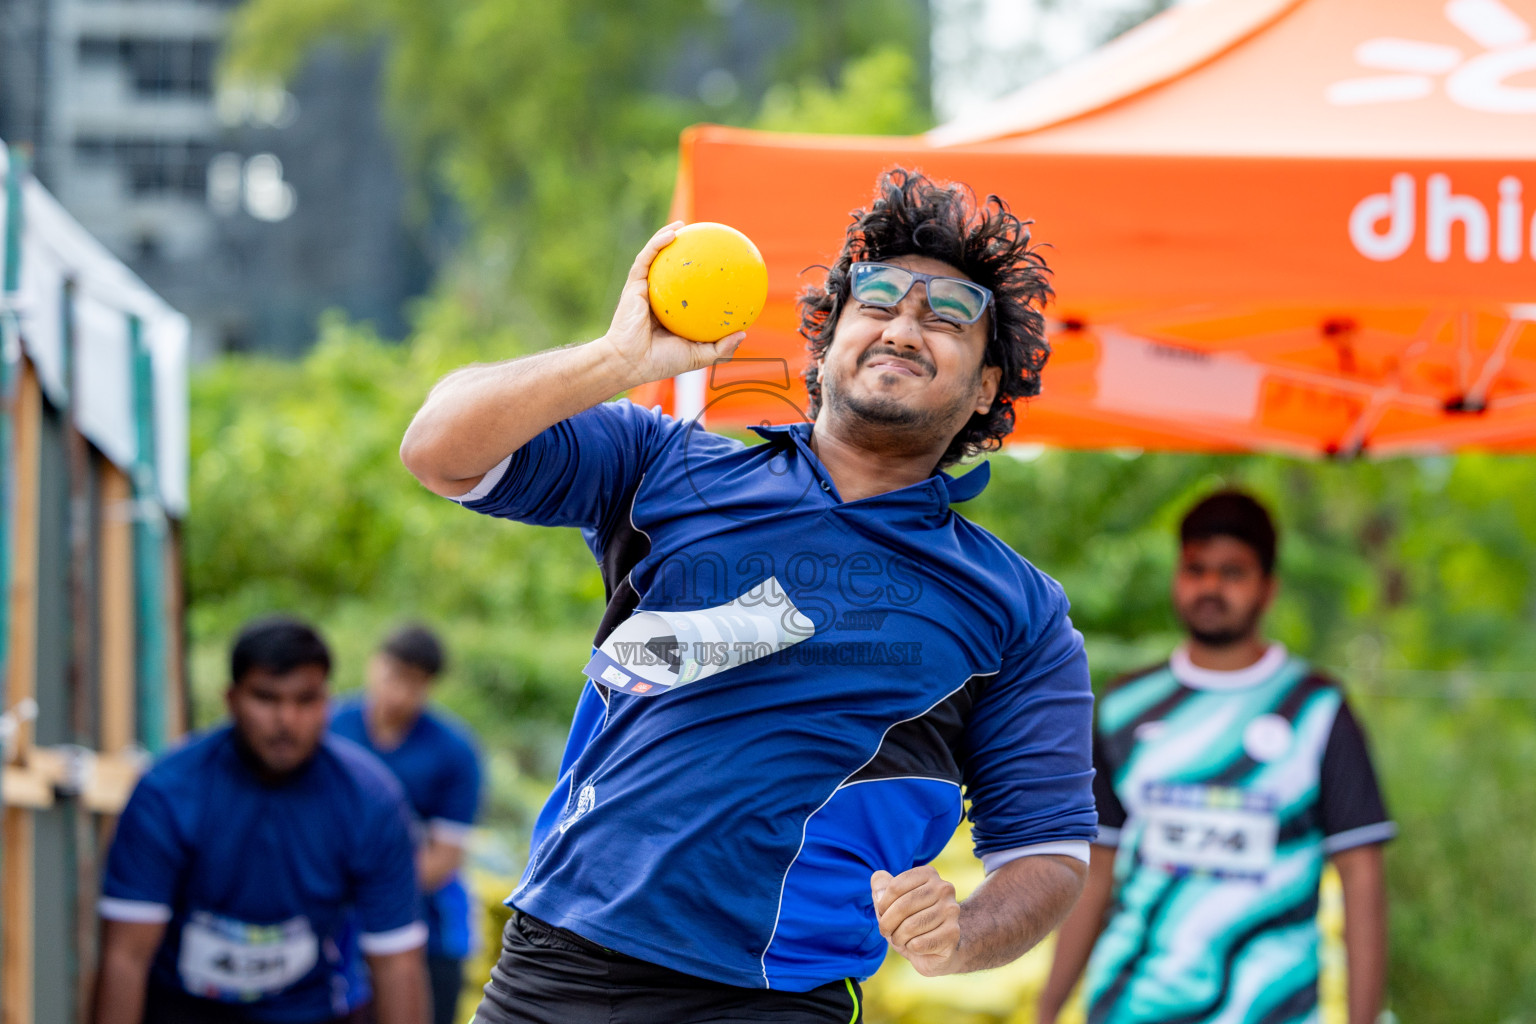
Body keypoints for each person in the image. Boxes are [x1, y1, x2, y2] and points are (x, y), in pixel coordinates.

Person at [399, 167, 1098, 1024]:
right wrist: (615, 359)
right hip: (561, 966)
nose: (904, 326)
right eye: (876, 300)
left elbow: (1050, 852)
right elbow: (439, 448)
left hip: (775, 1000)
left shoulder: (1021, 611)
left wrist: (961, 934)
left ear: (987, 387)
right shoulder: (663, 466)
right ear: (826, 339)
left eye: (949, 315)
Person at [1038, 491, 1394, 1024]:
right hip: (1132, 1005)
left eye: (1232, 572)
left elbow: (1362, 880)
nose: (1210, 587)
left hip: (1271, 1009)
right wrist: (1047, 1012)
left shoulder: (1318, 711)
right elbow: (1097, 871)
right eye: (1195, 569)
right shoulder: (1125, 706)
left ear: (1268, 587)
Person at [93, 616, 429, 1024]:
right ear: (232, 699)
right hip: (182, 1008)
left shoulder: (371, 801)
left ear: (327, 702)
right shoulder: (167, 794)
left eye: (305, 700)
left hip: (310, 1011)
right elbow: (125, 956)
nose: (286, 719)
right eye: (267, 698)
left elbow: (397, 964)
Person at [331, 624, 484, 1024]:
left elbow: (444, 857)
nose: (400, 694)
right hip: (329, 928)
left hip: (426, 931)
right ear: (374, 665)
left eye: (415, 685)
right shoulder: (329, 729)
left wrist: (369, 889)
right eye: (394, 676)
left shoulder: (454, 751)